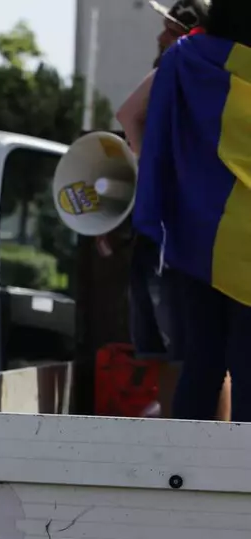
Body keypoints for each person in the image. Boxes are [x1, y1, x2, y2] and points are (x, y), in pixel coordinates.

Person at [134, 0, 251, 422]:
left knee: (202, 364)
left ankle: (188, 480)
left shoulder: (184, 59)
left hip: (195, 239)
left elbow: (133, 115)